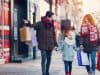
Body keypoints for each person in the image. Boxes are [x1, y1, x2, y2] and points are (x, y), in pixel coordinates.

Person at [36, 11, 57, 75]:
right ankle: (44, 73)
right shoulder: (40, 23)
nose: (52, 18)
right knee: (43, 59)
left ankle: (47, 71)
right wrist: (28, 24)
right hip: (43, 44)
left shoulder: (52, 24)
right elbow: (33, 26)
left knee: (49, 59)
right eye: (52, 17)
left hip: (50, 44)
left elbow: (54, 34)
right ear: (48, 17)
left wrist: (55, 44)